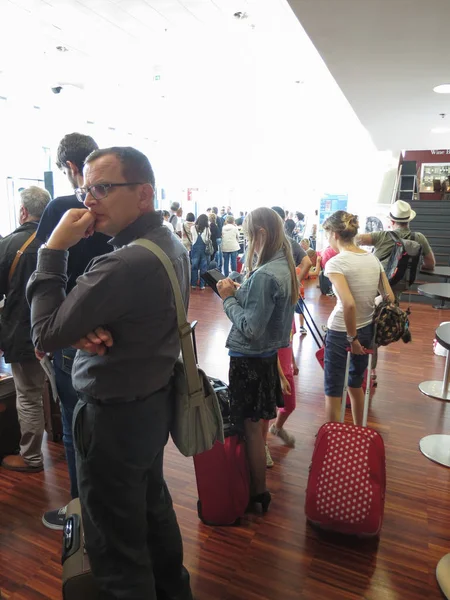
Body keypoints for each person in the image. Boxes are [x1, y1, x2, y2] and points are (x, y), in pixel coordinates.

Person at [27, 146, 193, 600]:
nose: (89, 200)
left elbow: (42, 332)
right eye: (85, 190)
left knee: (115, 549)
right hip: (150, 405)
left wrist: (54, 248)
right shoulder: (168, 244)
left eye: (102, 188)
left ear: (143, 195)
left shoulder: (123, 263)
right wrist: (79, 328)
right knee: (152, 512)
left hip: (114, 418)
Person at [36, 132, 112, 529]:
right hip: (113, 333)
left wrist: (43, 331)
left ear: (68, 167)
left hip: (70, 333)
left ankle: (81, 513)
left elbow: (45, 270)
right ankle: (106, 508)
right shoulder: (117, 215)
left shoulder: (62, 210)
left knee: (72, 425)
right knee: (106, 424)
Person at [217, 207, 298, 514]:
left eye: (249, 235)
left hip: (249, 361)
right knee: (259, 425)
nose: (248, 241)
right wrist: (239, 293)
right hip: (265, 358)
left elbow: (251, 328)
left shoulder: (265, 274)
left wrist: (226, 298)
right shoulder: (283, 266)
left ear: (261, 234)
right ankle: (257, 488)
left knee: (251, 430)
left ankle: (257, 493)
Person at [322, 211, 394, 426]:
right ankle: (359, 430)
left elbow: (348, 303)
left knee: (333, 388)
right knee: (355, 383)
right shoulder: (372, 259)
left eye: (327, 235)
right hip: (366, 328)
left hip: (341, 332)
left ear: (334, 234)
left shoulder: (336, 263)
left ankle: (332, 444)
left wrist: (351, 338)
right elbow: (389, 297)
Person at [0, 186, 51, 473]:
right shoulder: (61, 240)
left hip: (23, 331)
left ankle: (31, 457)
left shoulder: (8, 245)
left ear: (22, 212)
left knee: (29, 395)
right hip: (62, 330)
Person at [356, 199, 435, 276]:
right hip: (403, 284)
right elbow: (430, 264)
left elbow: (355, 239)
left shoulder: (381, 236)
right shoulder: (419, 238)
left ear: (392, 221)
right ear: (408, 220)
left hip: (379, 283)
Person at [281, 215, 312, 335]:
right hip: (289, 290)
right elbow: (308, 263)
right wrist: (296, 282)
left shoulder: (266, 241)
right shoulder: (291, 242)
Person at [191, 214, 211, 290]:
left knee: (194, 267)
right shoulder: (207, 228)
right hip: (204, 249)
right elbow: (208, 238)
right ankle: (202, 285)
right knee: (203, 268)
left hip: (195, 248)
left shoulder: (193, 227)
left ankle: (193, 284)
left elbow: (192, 238)